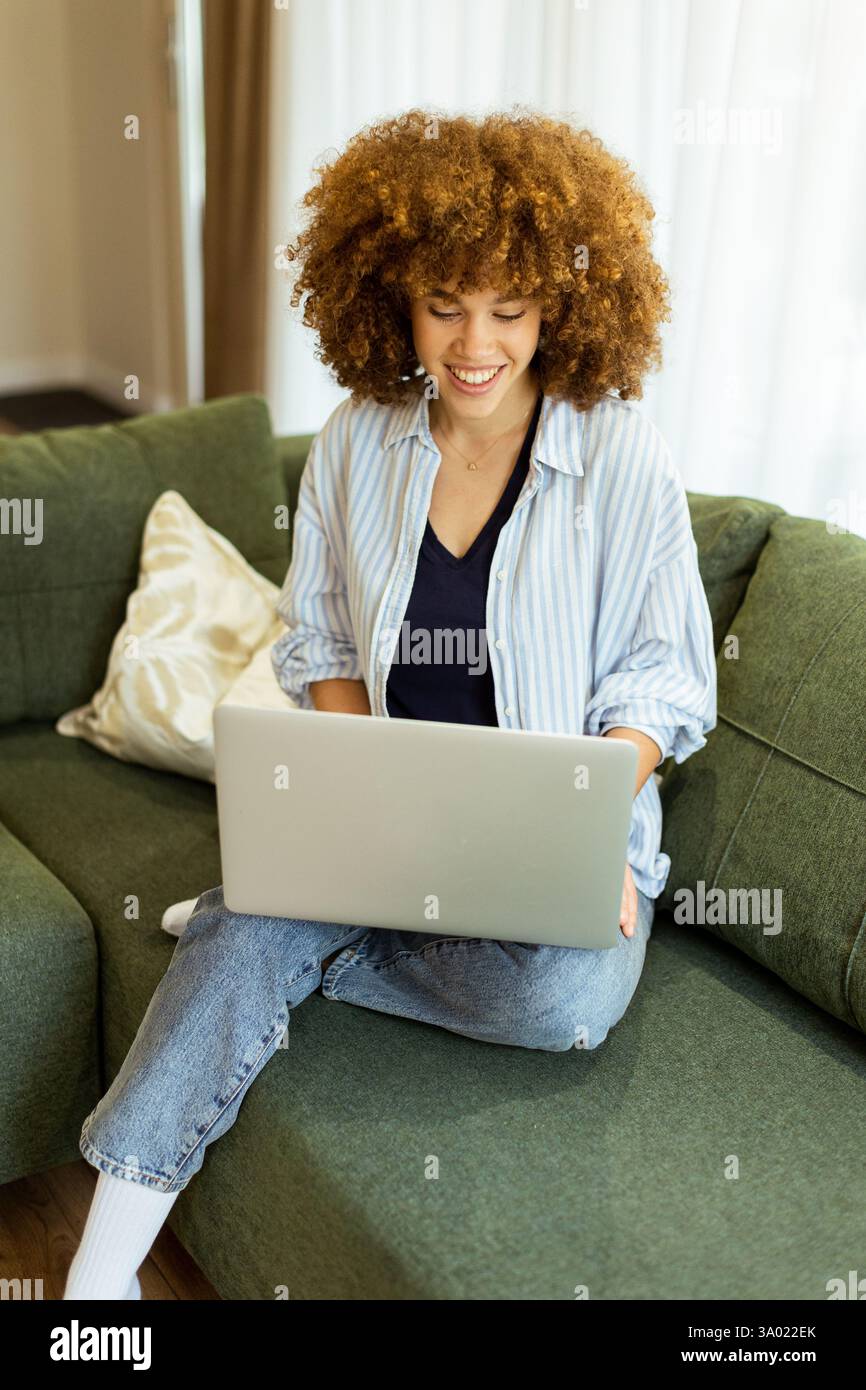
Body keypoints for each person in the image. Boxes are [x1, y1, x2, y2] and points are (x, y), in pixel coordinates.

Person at [64, 108, 716, 1300]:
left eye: (509, 311)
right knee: (268, 921)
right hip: (384, 813)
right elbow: (317, 633)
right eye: (443, 305)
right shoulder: (358, 443)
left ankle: (253, 923)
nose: (475, 344)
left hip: (543, 833)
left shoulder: (620, 455)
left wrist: (584, 820)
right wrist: (355, 807)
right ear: (389, 297)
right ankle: (90, 1295)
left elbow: (661, 679)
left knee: (561, 1003)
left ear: (562, 308)